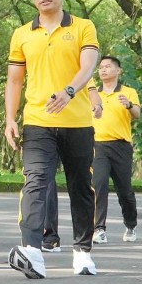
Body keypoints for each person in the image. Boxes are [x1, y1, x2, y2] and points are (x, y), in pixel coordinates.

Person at [5, 0, 100, 278]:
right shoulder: (22, 34)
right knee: (35, 181)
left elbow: (88, 66)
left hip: (78, 122)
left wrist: (69, 91)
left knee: (80, 186)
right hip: (37, 121)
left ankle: (82, 251)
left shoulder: (83, 27)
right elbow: (15, 80)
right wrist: (10, 118)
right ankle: (32, 251)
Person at [42, 85, 103, 253]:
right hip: (44, 127)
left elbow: (92, 91)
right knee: (43, 181)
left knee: (80, 185)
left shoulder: (80, 72)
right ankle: (49, 237)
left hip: (76, 128)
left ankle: (83, 244)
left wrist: (98, 106)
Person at [91, 55, 141, 244]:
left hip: (121, 146)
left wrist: (129, 105)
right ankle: (99, 229)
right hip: (98, 145)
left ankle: (130, 224)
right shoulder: (93, 94)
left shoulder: (129, 92)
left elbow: (137, 114)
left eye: (108, 66)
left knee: (124, 190)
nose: (103, 70)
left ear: (118, 71)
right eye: (101, 67)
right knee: (99, 185)